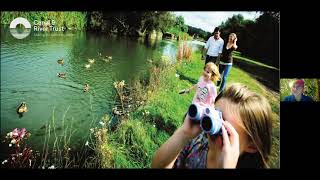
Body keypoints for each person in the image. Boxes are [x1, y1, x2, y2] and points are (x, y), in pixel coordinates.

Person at [152, 83, 273, 168]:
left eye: (223, 127)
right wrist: (184, 133)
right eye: (215, 114)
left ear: (251, 146)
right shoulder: (198, 143)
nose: (209, 130)